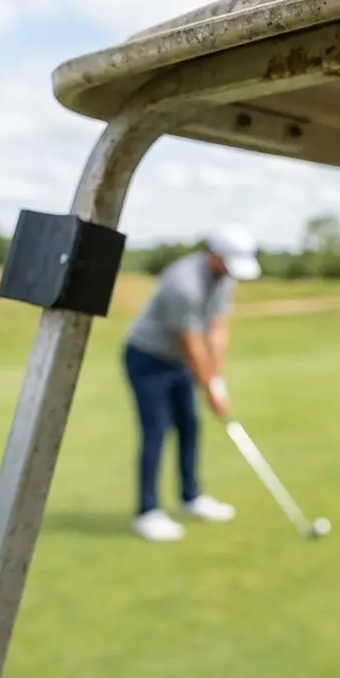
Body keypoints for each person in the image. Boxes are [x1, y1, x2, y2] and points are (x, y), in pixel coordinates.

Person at [122, 225, 263, 542]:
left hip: (179, 361)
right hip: (148, 357)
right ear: (213, 255)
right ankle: (148, 512)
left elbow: (216, 331)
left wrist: (217, 382)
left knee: (189, 425)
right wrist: (208, 385)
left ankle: (191, 498)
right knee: (156, 430)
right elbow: (191, 343)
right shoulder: (183, 283)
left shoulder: (225, 278)